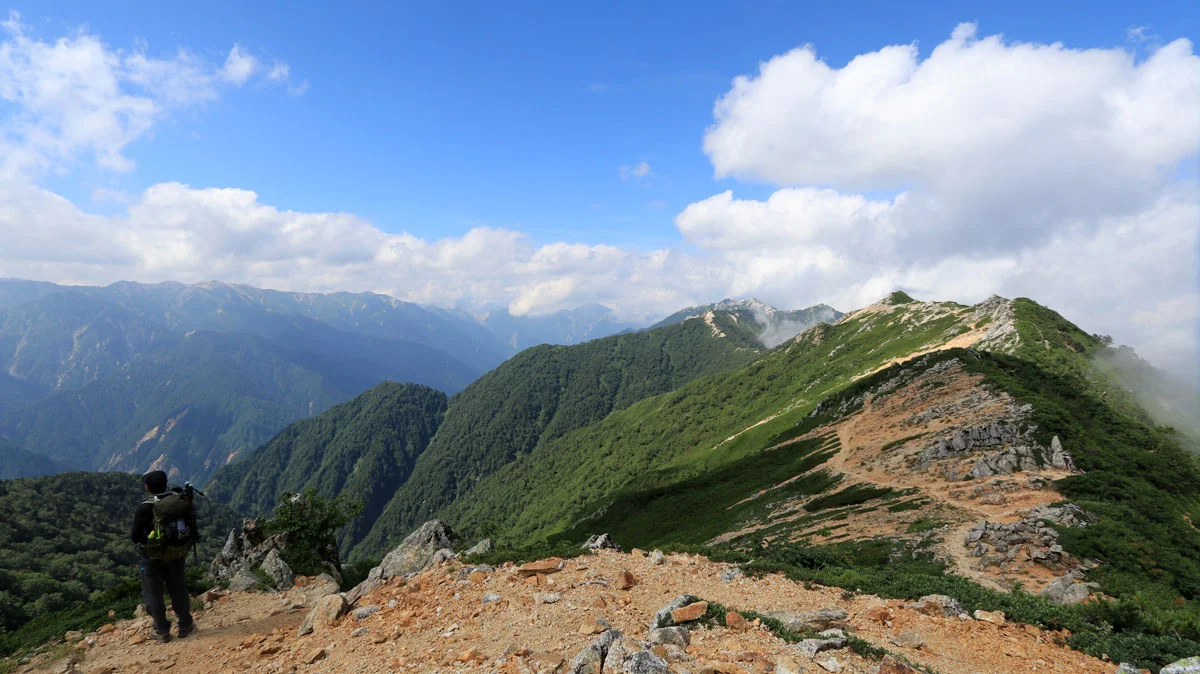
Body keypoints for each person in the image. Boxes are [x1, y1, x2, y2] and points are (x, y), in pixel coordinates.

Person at [130, 470, 196, 643]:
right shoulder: (177, 500)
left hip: (151, 557)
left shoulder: (145, 506)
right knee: (178, 588)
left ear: (147, 487)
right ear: (166, 483)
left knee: (154, 594)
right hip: (176, 552)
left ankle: (161, 630)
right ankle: (185, 623)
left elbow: (135, 537)